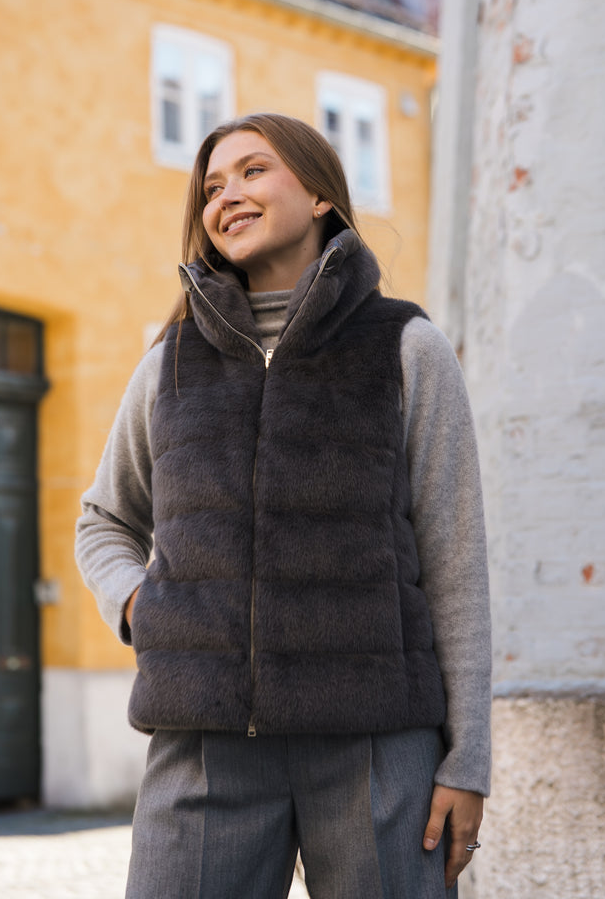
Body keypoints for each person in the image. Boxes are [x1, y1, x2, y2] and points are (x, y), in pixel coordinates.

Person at [76, 113, 491, 899]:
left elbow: (456, 561)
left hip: (376, 742)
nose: (227, 194)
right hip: (203, 741)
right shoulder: (168, 364)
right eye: (212, 186)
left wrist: (467, 760)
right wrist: (141, 606)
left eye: (254, 171)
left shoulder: (406, 349)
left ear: (323, 195)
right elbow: (105, 518)